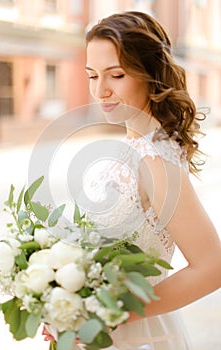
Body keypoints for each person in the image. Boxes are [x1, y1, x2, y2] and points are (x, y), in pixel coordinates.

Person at [81, 11, 221, 350]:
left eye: (116, 75)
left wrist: (113, 313)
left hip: (133, 336)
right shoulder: (131, 145)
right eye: (92, 75)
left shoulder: (154, 157)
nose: (101, 90)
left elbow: (212, 266)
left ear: (149, 74)